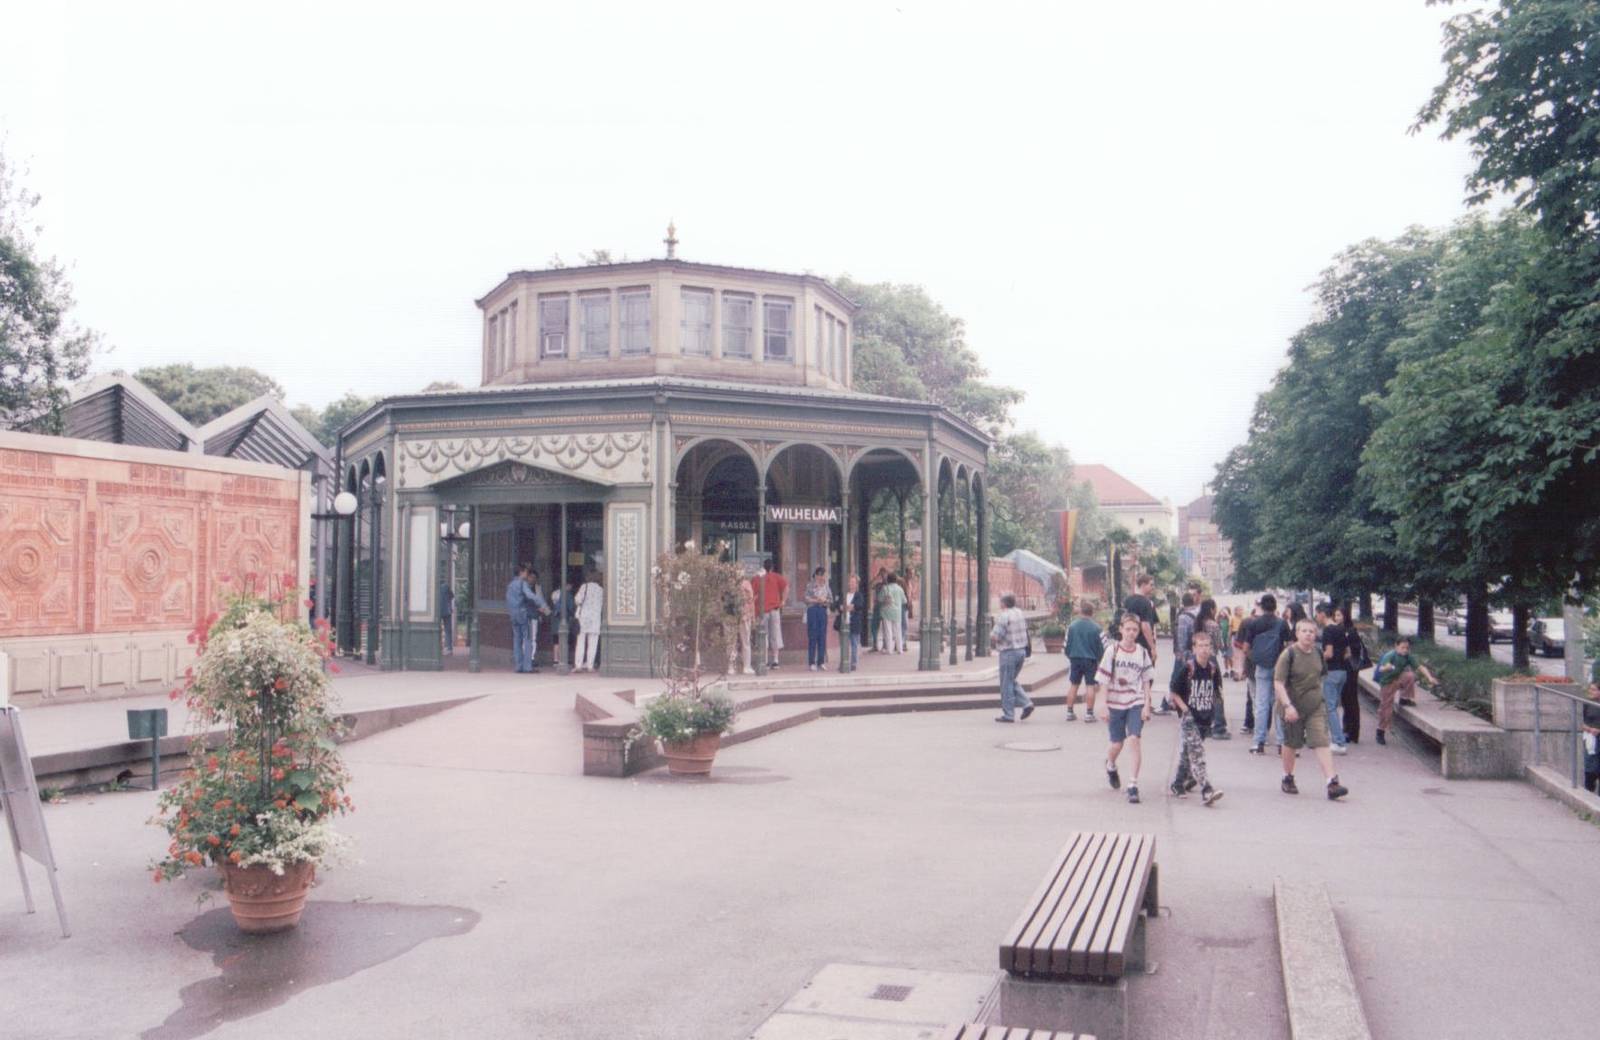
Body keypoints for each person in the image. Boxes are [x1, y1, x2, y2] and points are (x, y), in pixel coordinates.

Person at [1274, 618, 1349, 800]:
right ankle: (1288, 778)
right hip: (1292, 708)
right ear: (1297, 634)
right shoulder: (1288, 654)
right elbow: (1278, 683)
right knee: (1291, 744)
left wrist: (1320, 697)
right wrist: (1288, 706)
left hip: (1315, 707)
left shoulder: (1317, 652)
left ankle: (1332, 782)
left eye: (1312, 631)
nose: (1308, 634)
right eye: (1304, 631)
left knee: (1321, 741)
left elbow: (1320, 676)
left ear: (1316, 635)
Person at [1097, 613, 1154, 804]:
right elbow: (1103, 680)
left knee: (1134, 739)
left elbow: (1146, 680)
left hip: (1134, 701)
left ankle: (1133, 784)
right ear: (1121, 629)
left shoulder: (1142, 652)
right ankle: (1111, 764)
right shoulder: (1112, 651)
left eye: (1134, 630)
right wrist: (1103, 704)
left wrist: (1147, 703)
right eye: (1127, 629)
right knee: (1117, 744)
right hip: (1115, 702)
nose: (1131, 633)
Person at [1168, 630, 1225, 805]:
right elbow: (1173, 692)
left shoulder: (1213, 668)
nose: (1204, 650)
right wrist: (1185, 709)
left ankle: (1178, 783)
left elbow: (1217, 692)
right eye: (1200, 646)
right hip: (1190, 718)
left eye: (1207, 646)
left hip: (1205, 717)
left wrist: (1217, 714)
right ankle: (1207, 789)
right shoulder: (1188, 668)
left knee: (1188, 752)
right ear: (1194, 648)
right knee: (1197, 754)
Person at [1239, 594, 1292, 754]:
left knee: (1261, 705)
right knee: (1280, 704)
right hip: (1279, 668)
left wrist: (1255, 658)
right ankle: (1281, 743)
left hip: (1261, 667)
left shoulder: (1254, 623)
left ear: (1261, 606)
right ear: (1275, 607)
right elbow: (1290, 647)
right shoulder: (1282, 624)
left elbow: (1245, 648)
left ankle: (1258, 742)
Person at [1372, 635, 1439, 745]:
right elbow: (1381, 668)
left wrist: (1430, 678)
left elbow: (1420, 667)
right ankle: (1380, 731)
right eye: (1402, 647)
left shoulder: (1408, 656)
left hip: (1397, 678)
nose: (1405, 650)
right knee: (1386, 708)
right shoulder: (1390, 655)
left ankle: (1404, 698)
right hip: (1387, 683)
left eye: (1407, 648)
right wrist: (1387, 667)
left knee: (1410, 676)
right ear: (1396, 646)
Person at [990, 593, 1034, 723]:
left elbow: (996, 636)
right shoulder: (1019, 612)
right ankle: (1026, 704)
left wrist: (991, 635)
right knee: (1010, 680)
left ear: (1004, 603)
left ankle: (1009, 714)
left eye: (1000, 601)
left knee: (1006, 684)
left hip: (1008, 652)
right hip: (1021, 651)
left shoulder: (1004, 616)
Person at [1123, 574, 1161, 711]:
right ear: (1143, 585)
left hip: (1129, 642)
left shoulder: (1127, 600)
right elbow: (1146, 626)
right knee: (1146, 674)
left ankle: (1131, 701)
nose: (1152, 587)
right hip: (1143, 644)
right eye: (1151, 584)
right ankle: (1144, 702)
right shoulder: (1145, 603)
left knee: (1131, 672)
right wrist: (1152, 647)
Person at [1319, 604, 1351, 754]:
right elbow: (1347, 653)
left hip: (1331, 672)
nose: (1316, 617)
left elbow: (1329, 653)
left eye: (1317, 614)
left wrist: (1316, 657)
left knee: (1330, 708)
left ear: (1323, 614)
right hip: (1343, 672)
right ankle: (1335, 738)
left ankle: (1338, 742)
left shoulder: (1328, 630)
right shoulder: (1341, 629)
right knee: (1335, 707)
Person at [1064, 599, 1103, 722]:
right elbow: (1103, 646)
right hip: (1091, 660)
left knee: (1074, 685)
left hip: (1075, 658)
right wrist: (1100, 659)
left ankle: (1069, 712)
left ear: (1081, 611)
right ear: (1092, 612)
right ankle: (1089, 714)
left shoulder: (1072, 626)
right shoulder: (1097, 628)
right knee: (1090, 686)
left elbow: (1066, 645)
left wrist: (1070, 655)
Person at [1197, 598, 1230, 739]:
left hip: (1198, 659)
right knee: (1216, 692)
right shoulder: (1213, 625)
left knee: (1201, 691)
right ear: (1211, 609)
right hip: (1210, 659)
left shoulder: (1197, 623)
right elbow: (1220, 644)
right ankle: (1219, 727)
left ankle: (1203, 726)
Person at [753, 560, 788, 669]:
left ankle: (765, 660)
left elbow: (752, 594)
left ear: (763, 567)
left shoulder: (757, 578)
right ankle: (776, 660)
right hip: (774, 609)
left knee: (764, 635)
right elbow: (786, 587)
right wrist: (783, 601)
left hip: (762, 611)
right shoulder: (777, 577)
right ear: (772, 567)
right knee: (775, 635)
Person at [1340, 609, 1367, 744]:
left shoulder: (1350, 631)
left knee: (1350, 700)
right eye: (1335, 615)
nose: (1337, 617)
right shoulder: (1342, 630)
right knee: (1346, 700)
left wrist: (1345, 652)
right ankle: (1348, 730)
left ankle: (1352, 732)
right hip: (1346, 669)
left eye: (1339, 615)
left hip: (1350, 669)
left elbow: (1354, 650)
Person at [504, 564, 537, 674]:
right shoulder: (523, 583)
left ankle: (518, 666)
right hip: (523, 614)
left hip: (513, 615)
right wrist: (542, 604)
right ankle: (527, 667)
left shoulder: (510, 585)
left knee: (516, 640)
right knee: (527, 640)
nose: (527, 574)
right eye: (526, 572)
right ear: (521, 572)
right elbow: (530, 596)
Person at [573, 571, 604, 672]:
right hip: (595, 618)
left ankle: (579, 665)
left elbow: (578, 600)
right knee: (593, 643)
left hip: (584, 618)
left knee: (581, 641)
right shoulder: (601, 590)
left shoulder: (584, 587)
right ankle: (590, 665)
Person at [838, 573, 865, 670]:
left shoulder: (859, 595)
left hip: (854, 622)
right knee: (843, 644)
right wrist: (848, 607)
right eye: (850, 582)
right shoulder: (844, 594)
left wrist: (848, 607)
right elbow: (840, 606)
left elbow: (858, 606)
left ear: (857, 584)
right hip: (844, 622)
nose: (852, 584)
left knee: (854, 644)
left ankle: (854, 663)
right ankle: (843, 662)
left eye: (854, 582)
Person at [729, 576, 756, 675]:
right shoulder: (745, 584)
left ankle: (734, 666)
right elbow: (751, 600)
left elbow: (751, 600)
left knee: (734, 643)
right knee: (744, 642)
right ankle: (744, 666)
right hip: (740, 616)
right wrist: (752, 616)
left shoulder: (729, 584)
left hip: (737, 616)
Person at [878, 572, 906, 655]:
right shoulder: (900, 589)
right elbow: (904, 601)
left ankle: (889, 650)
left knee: (888, 631)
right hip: (897, 612)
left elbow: (880, 599)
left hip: (886, 611)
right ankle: (900, 649)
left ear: (888, 580)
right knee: (898, 631)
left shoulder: (885, 588)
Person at [1582, 666, 1600, 793]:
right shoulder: (1587, 703)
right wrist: (1588, 729)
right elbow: (1580, 721)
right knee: (1590, 767)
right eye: (1591, 689)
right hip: (1591, 738)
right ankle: (1588, 791)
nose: (1591, 691)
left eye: (1594, 690)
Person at [869, 567, 888, 652]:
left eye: (884, 574)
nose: (883, 575)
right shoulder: (878, 584)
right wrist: (876, 577)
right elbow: (870, 585)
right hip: (877, 607)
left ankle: (885, 645)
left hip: (884, 607)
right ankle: (875, 644)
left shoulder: (888, 585)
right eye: (881, 573)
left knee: (885, 627)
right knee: (874, 626)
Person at [439, 579, 455, 655]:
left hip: (438, 611)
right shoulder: (446, 586)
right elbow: (452, 596)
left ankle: (439, 647)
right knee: (448, 630)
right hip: (447, 610)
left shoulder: (434, 587)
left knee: (437, 629)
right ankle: (449, 648)